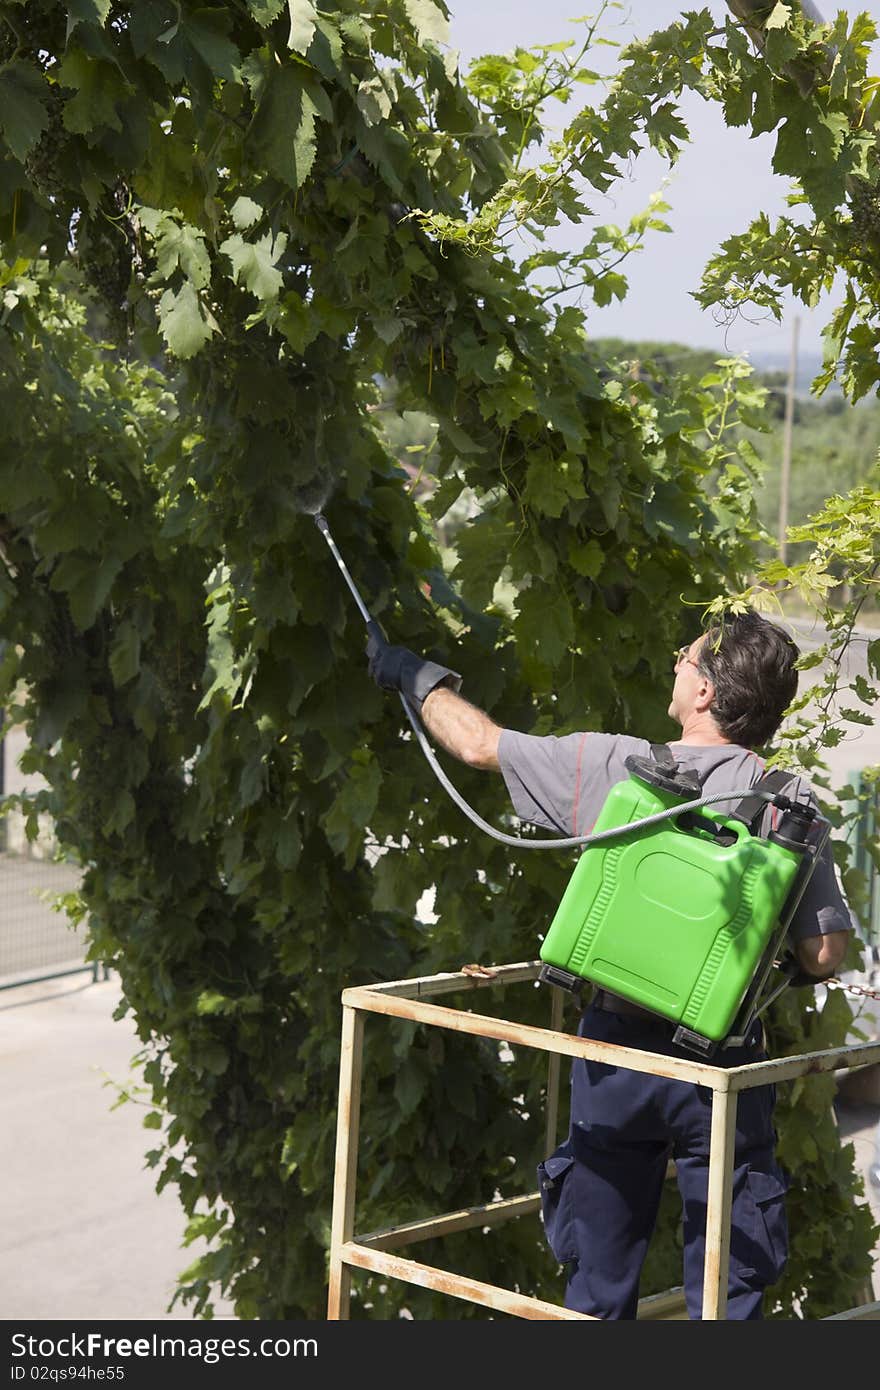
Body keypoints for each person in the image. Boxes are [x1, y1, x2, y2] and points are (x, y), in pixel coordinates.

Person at [366, 609, 853, 1319]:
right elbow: (824, 952)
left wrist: (411, 675)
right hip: (722, 1070)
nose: (675, 668)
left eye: (684, 661)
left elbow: (477, 746)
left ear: (706, 694)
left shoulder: (616, 767)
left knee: (596, 1291)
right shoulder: (788, 802)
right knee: (729, 1292)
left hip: (615, 1059)